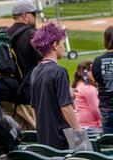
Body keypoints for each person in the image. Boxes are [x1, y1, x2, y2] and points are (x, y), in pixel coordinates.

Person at [31, 22, 81, 150]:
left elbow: (35, 107)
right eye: (62, 43)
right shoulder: (59, 71)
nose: (64, 47)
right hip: (62, 137)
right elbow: (65, 107)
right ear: (55, 45)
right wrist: (79, 133)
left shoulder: (35, 71)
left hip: (44, 137)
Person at [0, 1, 43, 131]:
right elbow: (43, 63)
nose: (35, 18)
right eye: (33, 14)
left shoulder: (4, 34)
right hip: (26, 97)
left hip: (5, 96)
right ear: (25, 16)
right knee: (33, 137)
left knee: (14, 136)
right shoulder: (33, 35)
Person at [92, 25, 113, 134]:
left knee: (109, 146)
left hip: (107, 110)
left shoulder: (98, 61)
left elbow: (97, 80)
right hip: (107, 109)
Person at [72, 61, 101, 134]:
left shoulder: (79, 85)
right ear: (86, 73)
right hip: (90, 126)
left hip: (81, 124)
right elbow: (96, 109)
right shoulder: (89, 89)